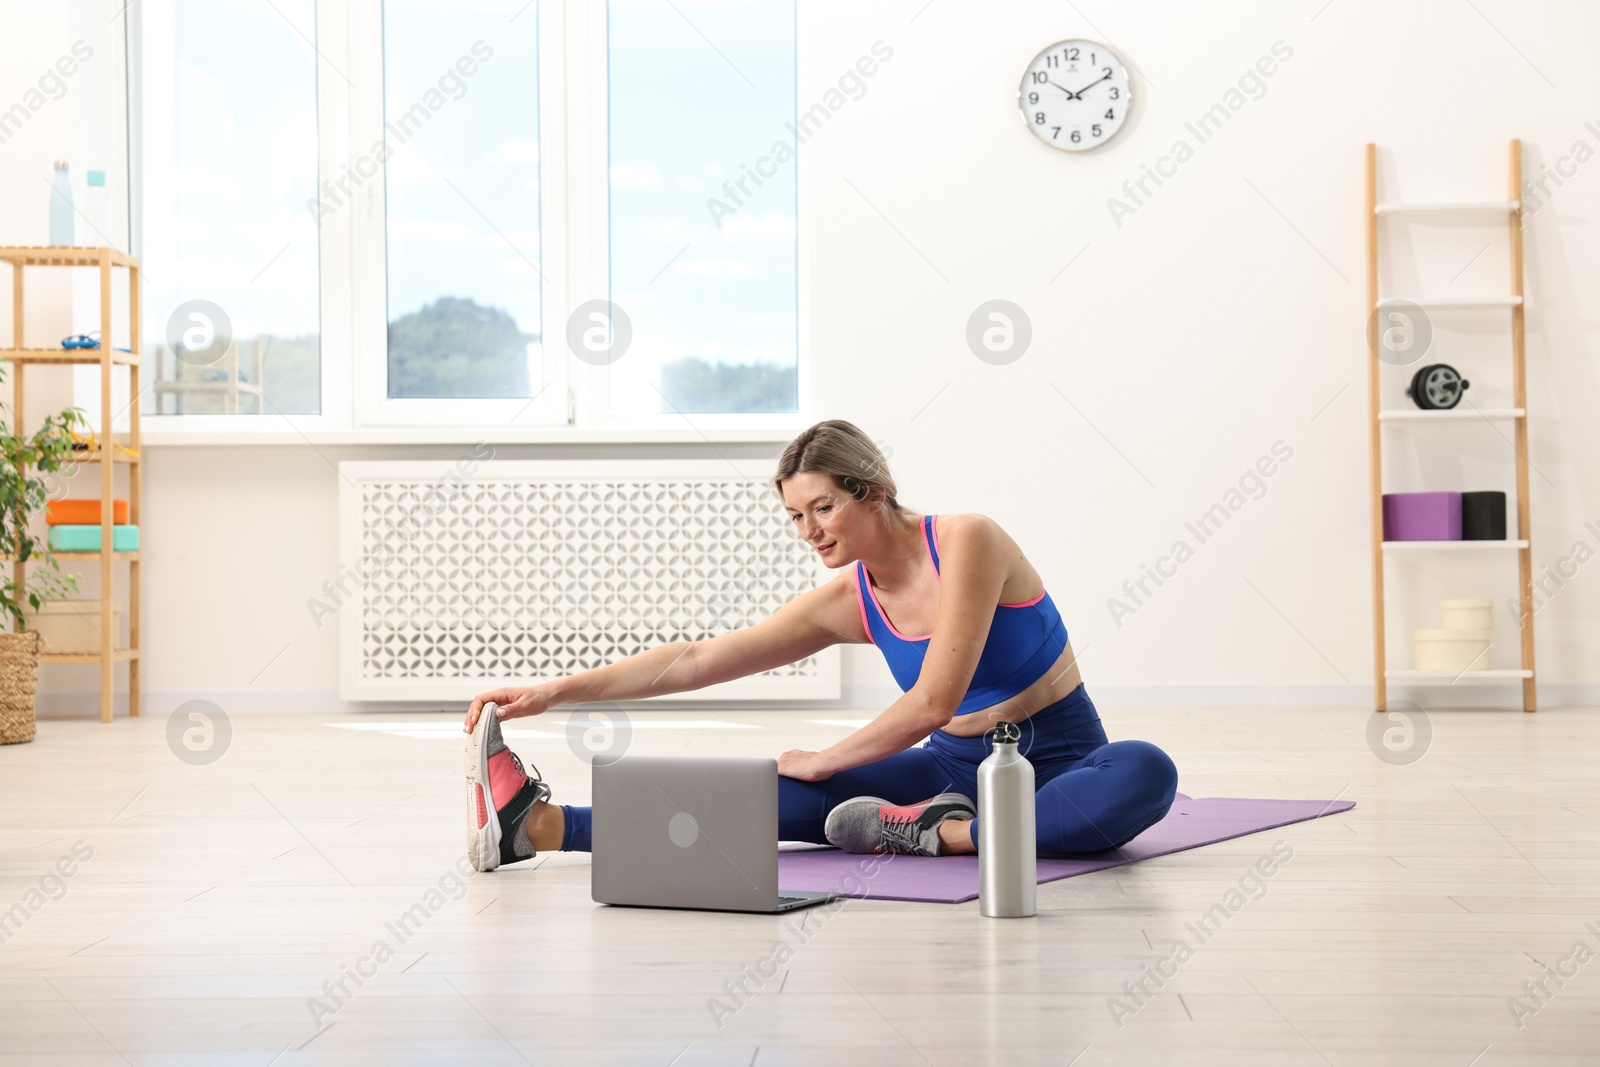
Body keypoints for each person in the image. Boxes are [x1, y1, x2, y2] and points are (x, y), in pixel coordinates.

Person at [462, 419, 1178, 872]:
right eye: (795, 516)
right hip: (950, 771)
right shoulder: (848, 599)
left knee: (1145, 772)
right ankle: (542, 825)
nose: (810, 531)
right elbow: (700, 658)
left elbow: (935, 699)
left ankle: (949, 835)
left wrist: (829, 756)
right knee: (778, 797)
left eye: (824, 507)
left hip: (1063, 759)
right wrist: (552, 690)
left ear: (874, 491)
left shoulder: (968, 540)